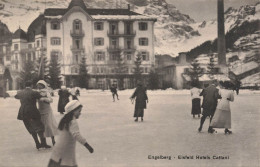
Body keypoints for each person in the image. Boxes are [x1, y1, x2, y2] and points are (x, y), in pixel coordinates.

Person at [48, 100, 94, 167]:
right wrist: (87, 145)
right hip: (66, 150)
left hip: (59, 149)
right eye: (79, 111)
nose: (80, 113)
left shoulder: (64, 120)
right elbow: (76, 135)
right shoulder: (72, 122)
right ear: (73, 111)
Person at [15, 81, 51, 150]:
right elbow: (41, 98)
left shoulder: (21, 92)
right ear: (31, 85)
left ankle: (37, 143)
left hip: (23, 112)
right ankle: (43, 143)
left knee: (30, 128)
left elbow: (16, 96)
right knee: (40, 127)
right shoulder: (34, 92)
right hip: (32, 112)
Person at [36, 80, 58, 145]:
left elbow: (51, 100)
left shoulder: (46, 92)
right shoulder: (36, 92)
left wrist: (44, 99)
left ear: (43, 85)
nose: (38, 86)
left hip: (47, 110)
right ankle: (43, 142)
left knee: (49, 125)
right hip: (40, 111)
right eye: (38, 85)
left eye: (40, 85)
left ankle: (53, 140)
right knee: (42, 126)